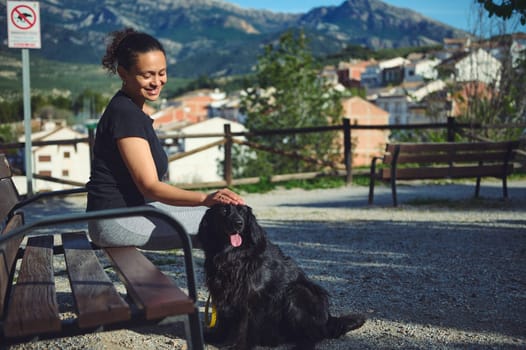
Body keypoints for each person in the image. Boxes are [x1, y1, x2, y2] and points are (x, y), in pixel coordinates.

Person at [86, 28, 244, 249]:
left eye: (161, 72)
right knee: (223, 226)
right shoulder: (125, 114)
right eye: (147, 74)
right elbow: (150, 187)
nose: (157, 81)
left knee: (232, 219)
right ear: (123, 73)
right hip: (117, 222)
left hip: (131, 212)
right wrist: (205, 198)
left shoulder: (130, 108)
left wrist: (210, 202)